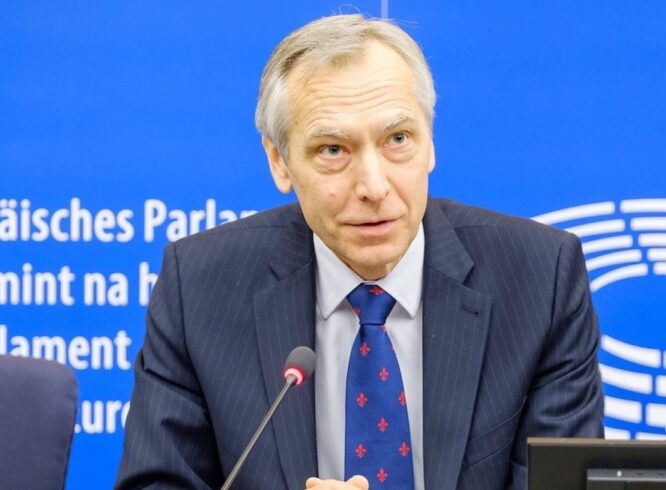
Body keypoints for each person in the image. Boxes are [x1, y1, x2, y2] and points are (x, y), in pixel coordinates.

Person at [116, 14, 603, 490]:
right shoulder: (198, 287)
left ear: (430, 143)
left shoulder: (540, 280)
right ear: (279, 161)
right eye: (333, 150)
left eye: (397, 139)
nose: (374, 186)